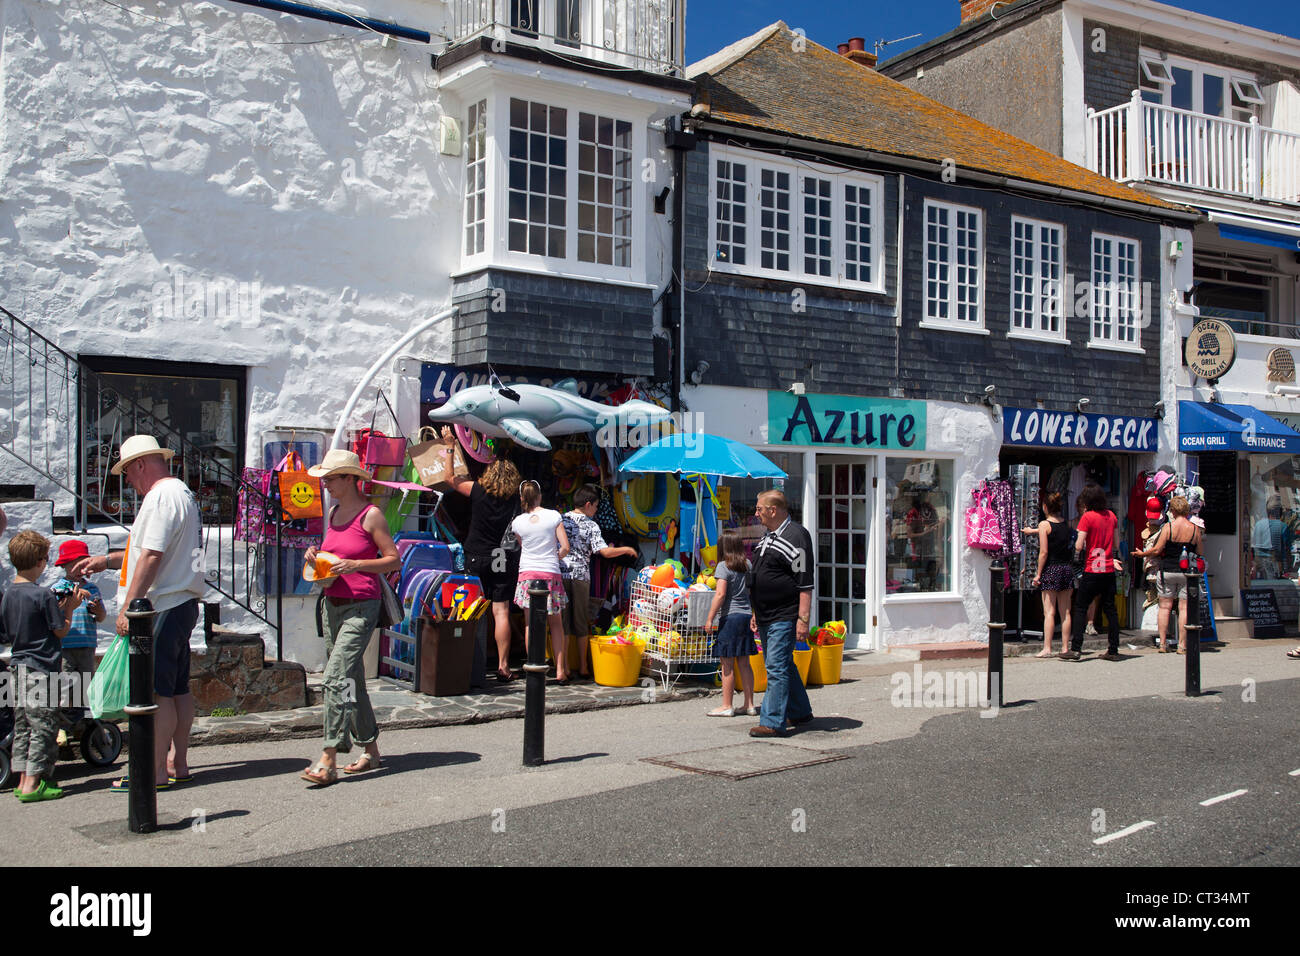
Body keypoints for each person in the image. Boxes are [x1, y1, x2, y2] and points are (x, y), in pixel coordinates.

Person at [72, 435, 205, 790]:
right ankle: (179, 763)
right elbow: (150, 551)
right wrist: (108, 560)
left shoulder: (160, 497)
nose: (128, 480)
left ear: (141, 465)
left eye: (127, 471)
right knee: (176, 689)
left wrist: (131, 608)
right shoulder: (182, 494)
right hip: (180, 602)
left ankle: (154, 772)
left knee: (158, 693)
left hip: (161, 606)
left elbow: (152, 555)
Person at [299, 449, 400, 786]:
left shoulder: (371, 515)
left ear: (349, 479)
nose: (325, 483)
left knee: (336, 676)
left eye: (330, 477)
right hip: (332, 605)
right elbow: (334, 554)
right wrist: (316, 554)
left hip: (361, 606)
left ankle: (329, 754)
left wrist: (357, 565)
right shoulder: (334, 513)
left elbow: (392, 560)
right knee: (351, 680)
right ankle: (371, 748)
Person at [4, 530, 85, 801]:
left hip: (17, 666)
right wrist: (70, 608)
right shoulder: (43, 596)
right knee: (45, 725)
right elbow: (60, 630)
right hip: (42, 667)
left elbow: (5, 634)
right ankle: (34, 783)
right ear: (40, 561)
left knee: (24, 724)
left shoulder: (8, 595)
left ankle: (23, 778)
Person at [748, 489, 815, 737]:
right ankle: (800, 711)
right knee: (782, 663)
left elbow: (805, 582)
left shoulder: (796, 535)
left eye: (759, 509)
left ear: (773, 510)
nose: (756, 513)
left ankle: (772, 721)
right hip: (765, 614)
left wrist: (803, 620)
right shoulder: (768, 537)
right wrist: (755, 610)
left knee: (775, 667)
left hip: (784, 614)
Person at [452, 457, 524, 683]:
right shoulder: (516, 499)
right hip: (503, 556)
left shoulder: (478, 490)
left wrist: (449, 447)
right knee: (501, 612)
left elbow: (448, 479)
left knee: (469, 608)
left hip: (476, 555)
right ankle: (503, 666)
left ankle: (468, 661)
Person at [560, 484, 638, 680]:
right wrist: (627, 549)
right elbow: (604, 552)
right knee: (580, 623)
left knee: (563, 624)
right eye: (595, 507)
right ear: (588, 505)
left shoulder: (561, 520)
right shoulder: (591, 525)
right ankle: (584, 666)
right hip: (580, 578)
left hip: (560, 575)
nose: (595, 511)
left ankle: (565, 667)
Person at [511, 480, 571, 682]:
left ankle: (534, 666)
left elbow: (523, 546)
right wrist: (555, 556)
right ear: (540, 495)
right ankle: (560, 669)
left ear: (522, 498)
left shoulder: (518, 522)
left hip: (527, 573)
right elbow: (565, 547)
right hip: (550, 573)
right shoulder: (553, 516)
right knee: (556, 624)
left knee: (531, 624)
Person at [52, 539, 106, 742]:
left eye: (83, 564)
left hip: (86, 645)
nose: (79, 569)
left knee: (84, 686)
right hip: (65, 645)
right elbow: (54, 616)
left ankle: (79, 723)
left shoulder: (92, 588)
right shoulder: (58, 588)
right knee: (64, 686)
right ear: (64, 566)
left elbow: (100, 617)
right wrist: (68, 603)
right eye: (74, 565)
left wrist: (97, 608)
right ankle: (61, 725)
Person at [1133, 496, 1203, 654]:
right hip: (1187, 573)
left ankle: (1163, 644)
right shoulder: (1194, 529)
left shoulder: (1168, 528)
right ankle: (1182, 645)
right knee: (1184, 609)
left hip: (1167, 571)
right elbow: (1199, 552)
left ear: (1172, 510)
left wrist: (1142, 554)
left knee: (1164, 607)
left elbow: (1157, 550)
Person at [1062, 484, 1121, 662]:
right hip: (1109, 569)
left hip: (1092, 568)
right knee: (1110, 609)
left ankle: (1076, 648)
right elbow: (1117, 543)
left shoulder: (1087, 517)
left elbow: (1079, 545)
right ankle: (1113, 648)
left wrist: (1077, 553)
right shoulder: (1112, 516)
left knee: (1080, 607)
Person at [704, 530, 757, 717]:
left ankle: (727, 705)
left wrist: (710, 618)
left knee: (727, 664)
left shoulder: (723, 566)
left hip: (730, 617)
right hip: (745, 616)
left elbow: (720, 594)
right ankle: (749, 704)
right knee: (744, 662)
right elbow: (752, 592)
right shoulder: (747, 564)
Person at [1021, 492, 1073, 658]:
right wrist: (1034, 531)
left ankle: (1047, 648)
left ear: (1044, 507)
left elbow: (1043, 552)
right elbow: (1053, 531)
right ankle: (1065, 648)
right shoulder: (1066, 523)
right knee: (1065, 612)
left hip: (1051, 569)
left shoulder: (1044, 524)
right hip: (1066, 569)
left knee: (1049, 612)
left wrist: (1038, 574)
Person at [1249, 496, 1292, 580]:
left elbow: (1253, 547)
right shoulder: (1283, 526)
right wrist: (1288, 569)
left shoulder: (1259, 524)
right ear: (1280, 512)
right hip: (1274, 566)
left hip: (1258, 566)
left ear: (1267, 511)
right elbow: (1287, 551)